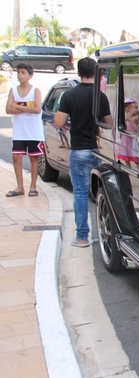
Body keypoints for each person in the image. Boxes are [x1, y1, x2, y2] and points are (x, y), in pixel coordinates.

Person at [54, 57, 113, 247]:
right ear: (96, 73)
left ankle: (82, 237)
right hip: (97, 150)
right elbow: (109, 124)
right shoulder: (101, 96)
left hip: (78, 150)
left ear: (78, 73)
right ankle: (106, 233)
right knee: (102, 194)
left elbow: (59, 122)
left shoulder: (69, 96)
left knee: (80, 193)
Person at [5, 63, 44, 198]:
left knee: (34, 158)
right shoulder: (13, 91)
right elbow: (8, 109)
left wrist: (18, 105)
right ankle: (20, 187)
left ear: (30, 75)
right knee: (16, 157)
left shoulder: (35, 91)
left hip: (34, 131)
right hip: (19, 131)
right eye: (18, 72)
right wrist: (27, 106)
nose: (20, 75)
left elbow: (37, 109)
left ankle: (33, 186)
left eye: (23, 72)